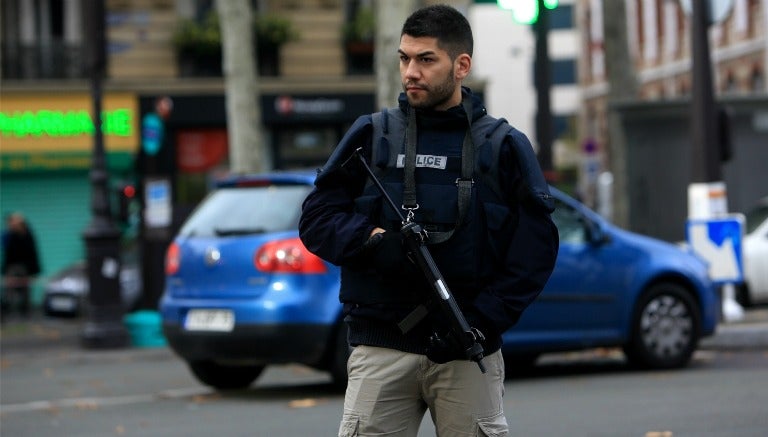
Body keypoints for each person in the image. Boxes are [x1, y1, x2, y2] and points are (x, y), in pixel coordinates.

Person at [299, 5, 559, 436]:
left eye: (425, 59)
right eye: (404, 58)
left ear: (461, 66)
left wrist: (481, 321)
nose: (410, 72)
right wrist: (374, 239)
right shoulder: (372, 135)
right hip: (380, 346)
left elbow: (535, 252)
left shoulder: (504, 146)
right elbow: (317, 218)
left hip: (467, 348)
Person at [1, 212, 42, 318]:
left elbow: (33, 254)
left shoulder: (27, 235)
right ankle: (6, 312)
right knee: (9, 291)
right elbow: (7, 254)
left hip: (25, 268)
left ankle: (25, 312)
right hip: (12, 268)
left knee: (25, 291)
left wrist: (34, 270)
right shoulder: (9, 235)